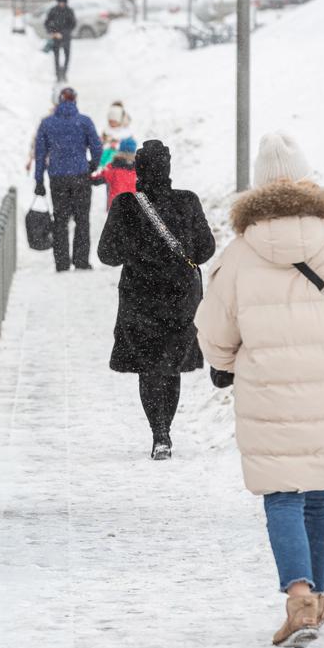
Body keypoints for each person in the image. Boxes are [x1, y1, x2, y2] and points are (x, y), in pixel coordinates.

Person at [194, 132, 324, 648]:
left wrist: (236, 362)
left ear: (258, 185)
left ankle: (300, 595)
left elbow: (214, 333)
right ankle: (315, 598)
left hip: (267, 394)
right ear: (305, 178)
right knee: (321, 495)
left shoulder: (238, 254)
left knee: (281, 495)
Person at [97, 139, 215, 459]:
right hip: (180, 300)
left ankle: (158, 431)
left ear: (139, 169)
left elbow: (106, 254)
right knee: (170, 367)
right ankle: (166, 430)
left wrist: (136, 252)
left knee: (149, 368)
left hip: (140, 299)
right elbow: (205, 250)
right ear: (168, 168)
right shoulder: (188, 202)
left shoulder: (125, 205)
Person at [33, 87, 102, 271]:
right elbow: (97, 147)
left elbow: (40, 154)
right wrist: (92, 165)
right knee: (82, 219)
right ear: (75, 100)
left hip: (58, 178)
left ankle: (62, 262)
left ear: (57, 101)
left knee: (60, 220)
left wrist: (39, 180)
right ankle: (81, 260)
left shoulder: (47, 123)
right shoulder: (84, 122)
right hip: (80, 175)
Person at [97, 136, 137, 210]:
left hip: (116, 204)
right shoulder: (137, 168)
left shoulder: (113, 166)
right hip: (132, 204)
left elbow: (101, 177)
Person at [44, 0, 76, 82]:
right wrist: (53, 32)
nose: (61, 3)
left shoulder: (69, 11)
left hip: (66, 37)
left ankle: (64, 73)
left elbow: (72, 24)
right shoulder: (53, 11)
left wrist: (64, 33)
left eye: (63, 2)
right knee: (56, 56)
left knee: (67, 56)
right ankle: (58, 74)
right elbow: (47, 23)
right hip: (56, 37)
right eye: (60, 2)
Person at [99, 102, 133, 169]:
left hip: (119, 166)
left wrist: (118, 146)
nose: (111, 122)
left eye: (114, 121)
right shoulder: (106, 131)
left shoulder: (125, 133)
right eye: (110, 121)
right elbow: (100, 145)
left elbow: (130, 151)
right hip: (105, 165)